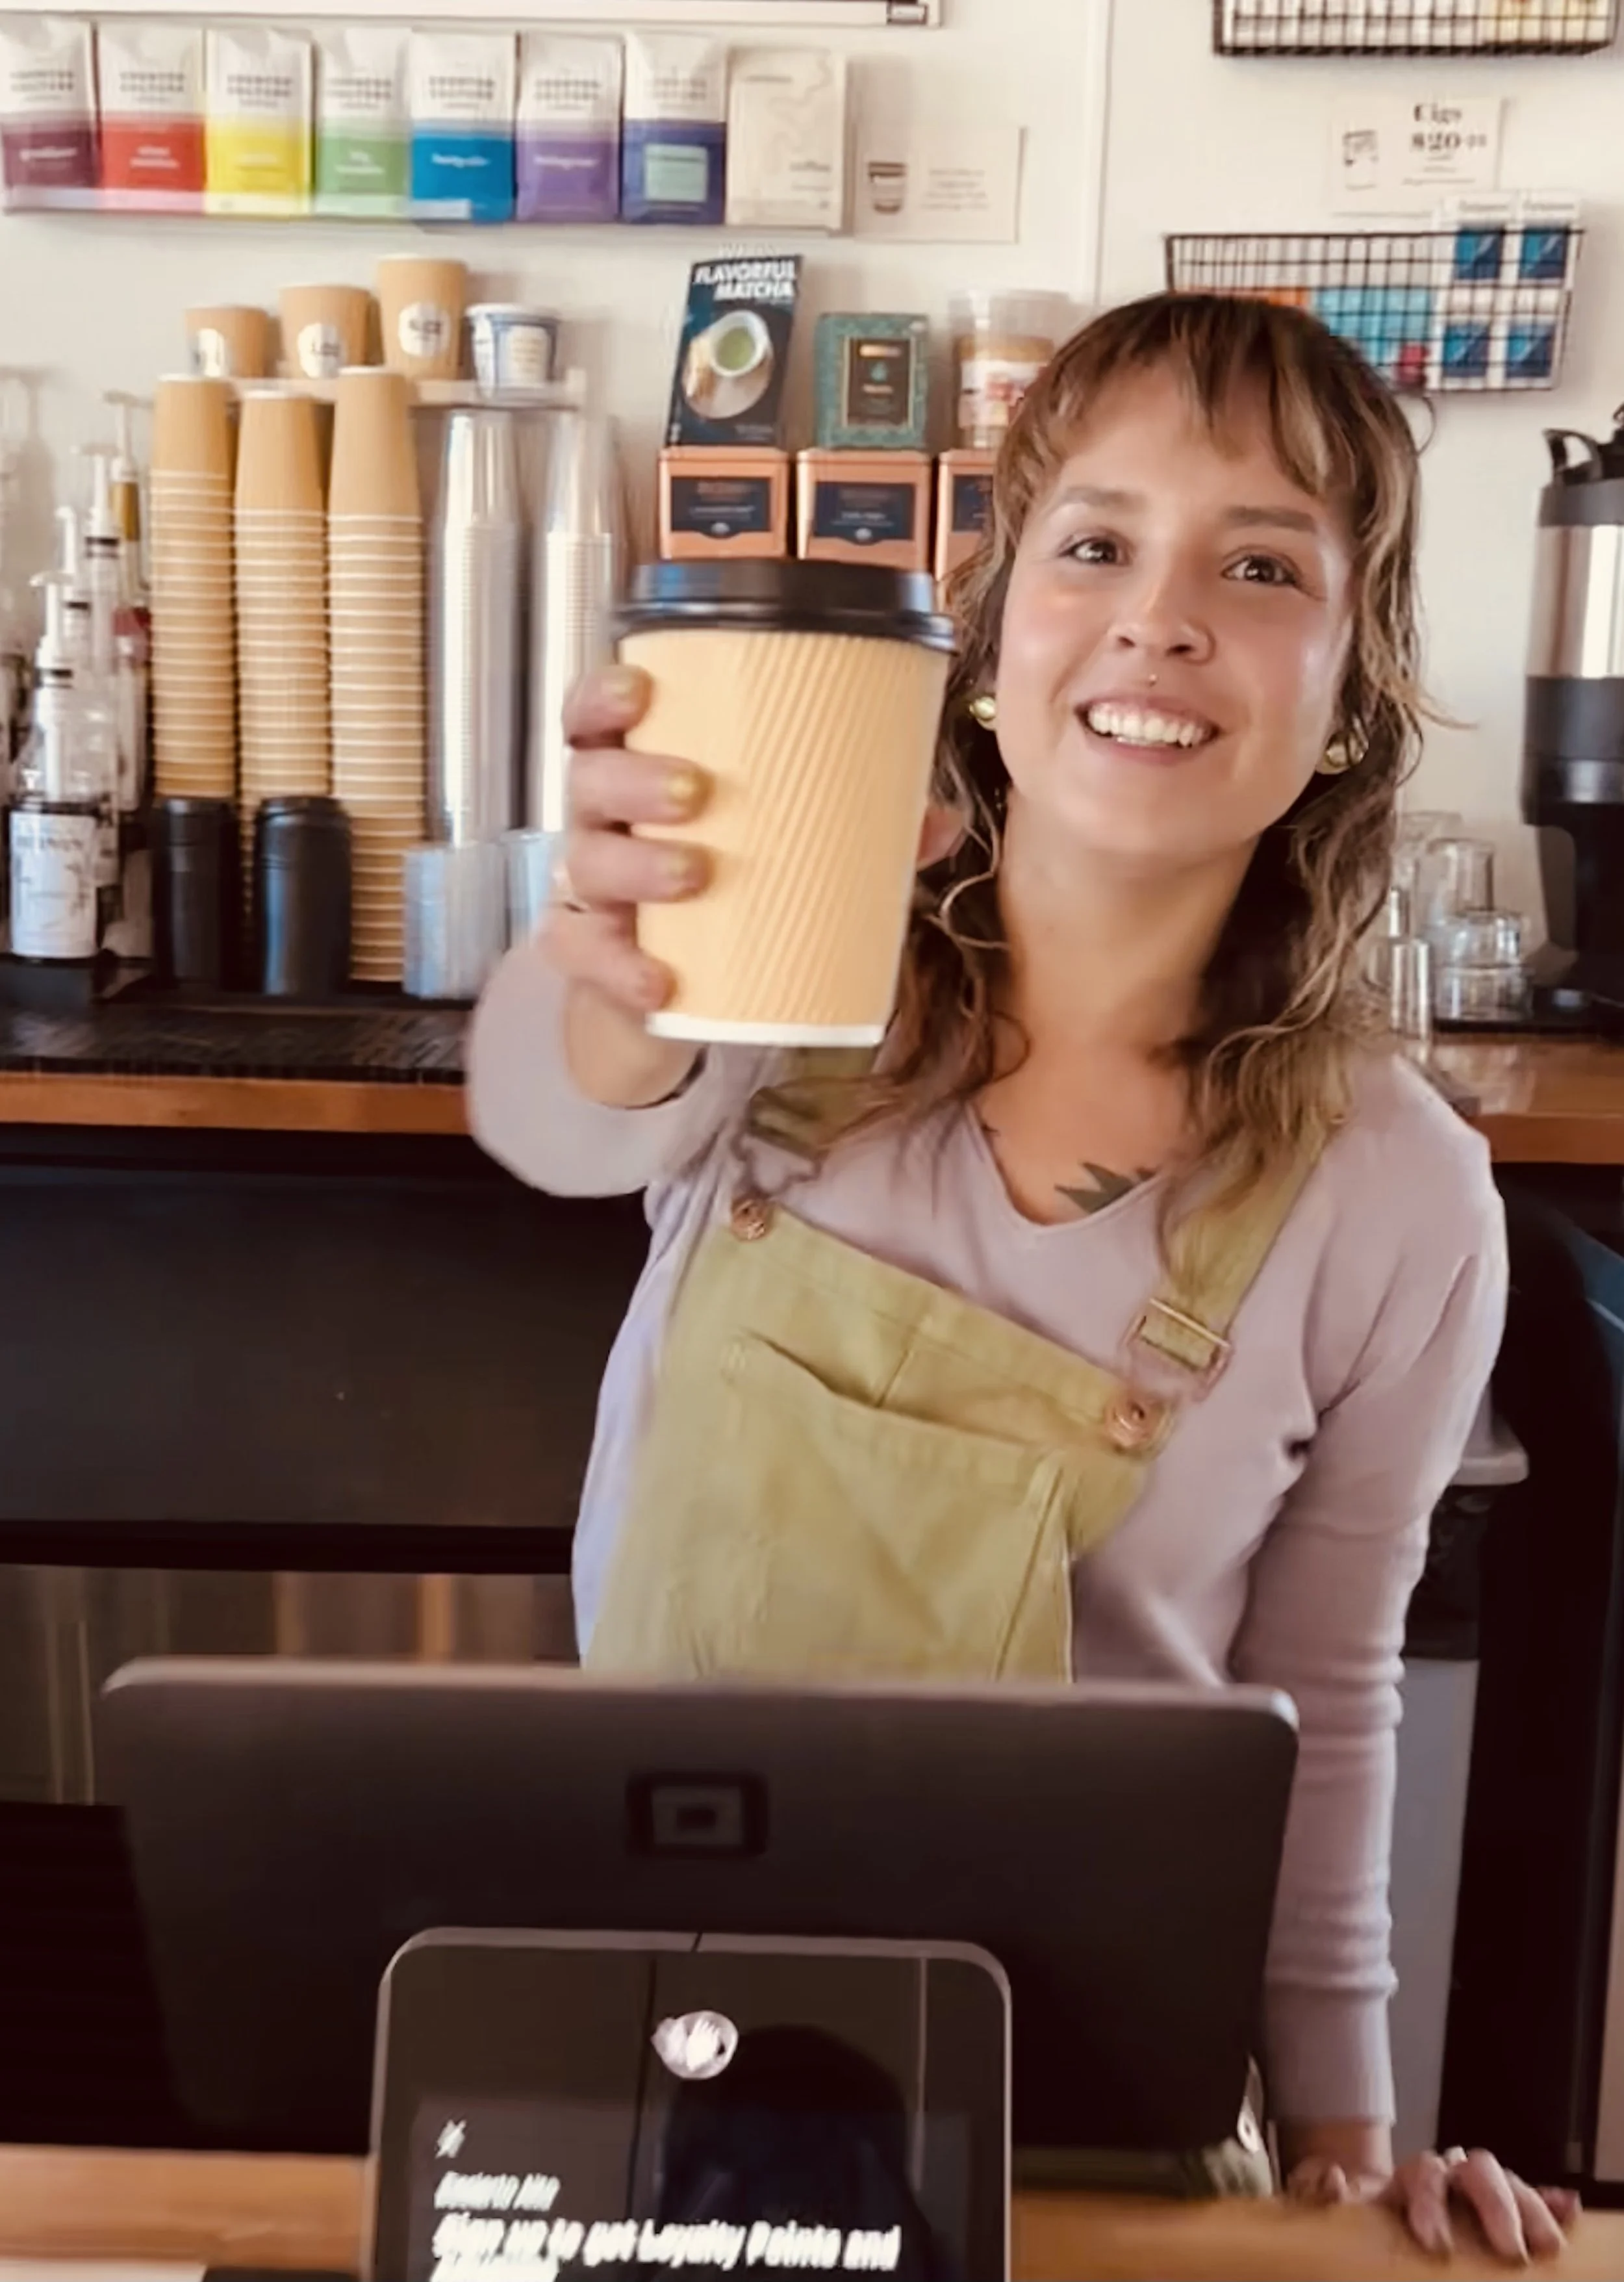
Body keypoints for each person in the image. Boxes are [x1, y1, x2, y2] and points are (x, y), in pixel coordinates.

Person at [470, 292, 1578, 2261]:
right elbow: (559, 1127)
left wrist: (1343, 2156)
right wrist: (612, 946)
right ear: (985, 656)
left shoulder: (1398, 1195)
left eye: (1259, 565)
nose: (1160, 617)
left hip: (1077, 2111)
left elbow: (1314, 1713)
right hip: (638, 2043)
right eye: (1094, 545)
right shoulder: (798, 967)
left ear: (1348, 695)